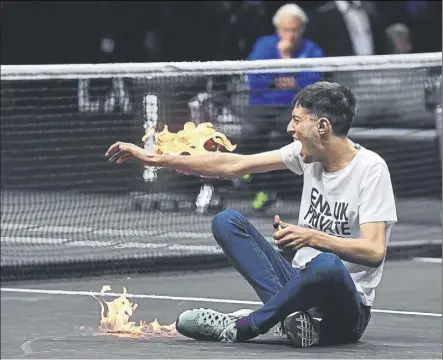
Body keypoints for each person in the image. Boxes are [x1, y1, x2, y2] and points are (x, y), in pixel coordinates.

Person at [105, 81, 397, 348]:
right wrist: (156, 159)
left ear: (322, 126)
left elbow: (373, 251)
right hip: (296, 285)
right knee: (226, 221)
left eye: (297, 121)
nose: (289, 129)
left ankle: (245, 324)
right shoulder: (305, 154)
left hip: (345, 311)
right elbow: (234, 165)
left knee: (328, 265)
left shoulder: (371, 170)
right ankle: (290, 320)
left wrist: (311, 237)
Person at [243, 3, 324, 211]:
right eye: (286, 30)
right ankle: (247, 175)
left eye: (294, 30)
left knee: (283, 143)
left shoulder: (312, 50)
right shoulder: (265, 45)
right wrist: (288, 77)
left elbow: (312, 83)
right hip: (262, 106)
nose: (290, 35)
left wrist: (286, 66)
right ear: (278, 29)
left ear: (302, 29)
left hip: (294, 109)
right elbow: (255, 81)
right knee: (251, 133)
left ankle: (267, 190)